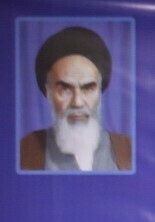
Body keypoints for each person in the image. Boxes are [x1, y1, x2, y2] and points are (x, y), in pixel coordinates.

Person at [20, 26, 132, 172]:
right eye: (65, 89)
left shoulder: (129, 148)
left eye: (88, 88)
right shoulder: (26, 150)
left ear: (100, 90)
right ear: (48, 91)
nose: (77, 102)